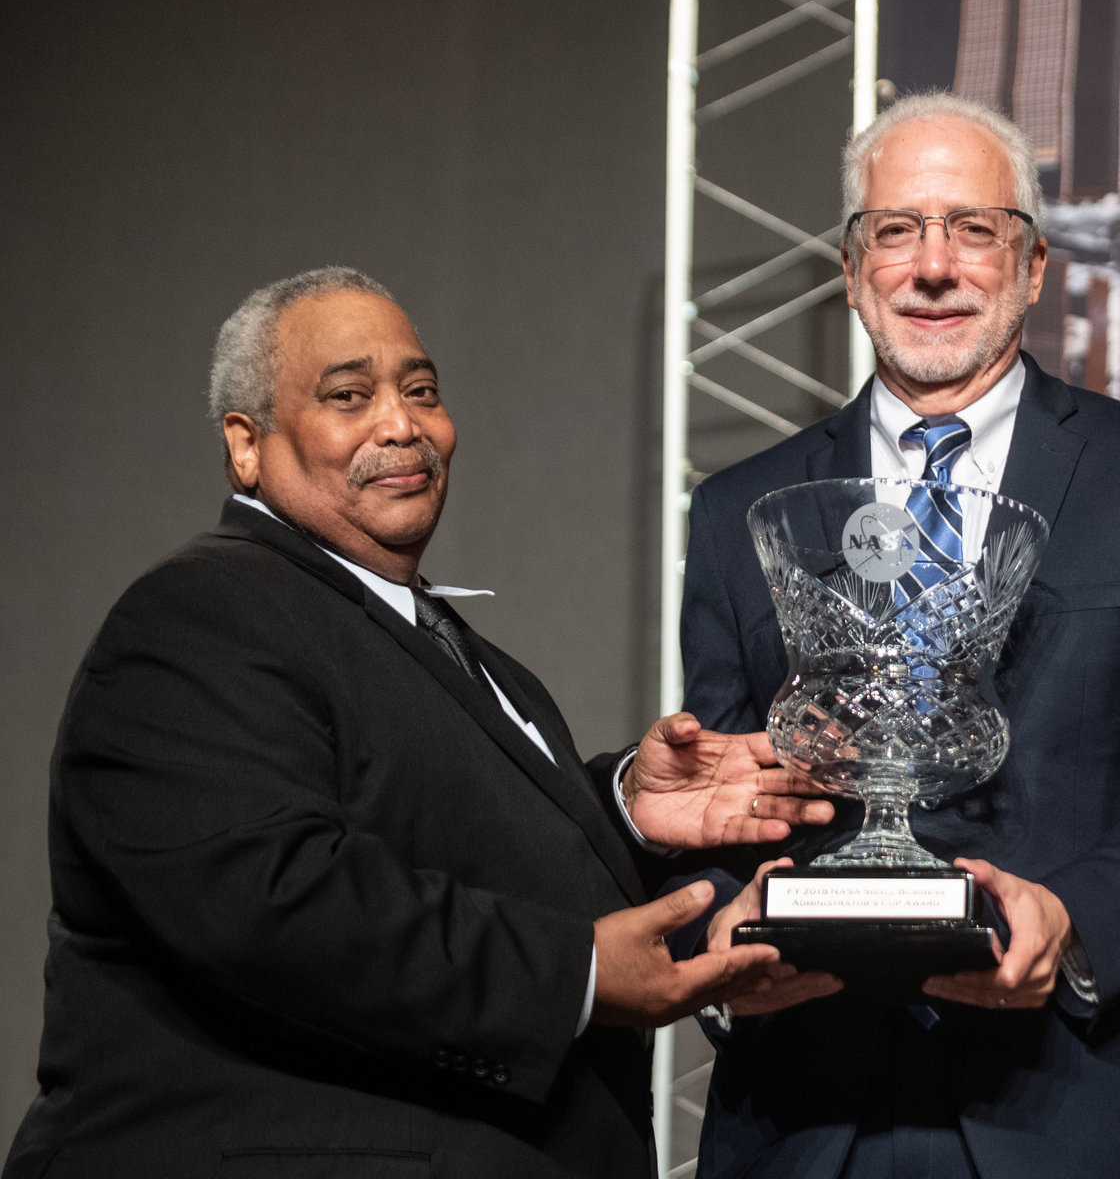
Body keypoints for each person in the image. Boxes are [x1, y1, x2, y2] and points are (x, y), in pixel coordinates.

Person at [3, 268, 837, 1179]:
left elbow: (446, 843)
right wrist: (578, 974)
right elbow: (275, 905)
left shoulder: (444, 643)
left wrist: (626, 807)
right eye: (349, 395)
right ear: (247, 445)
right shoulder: (198, 617)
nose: (401, 425)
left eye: (422, 391)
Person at [673, 92, 1120, 1177]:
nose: (933, 266)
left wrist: (1073, 918)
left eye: (973, 229)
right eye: (896, 230)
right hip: (804, 1116)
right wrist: (722, 926)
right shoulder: (735, 512)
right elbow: (721, 800)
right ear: (854, 268)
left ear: (1033, 263)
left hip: (1065, 1110)